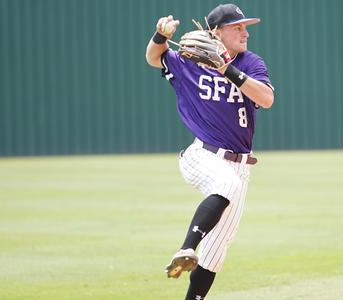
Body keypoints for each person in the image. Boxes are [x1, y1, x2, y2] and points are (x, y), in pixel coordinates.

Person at [145, 3, 274, 300]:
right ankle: (187, 246)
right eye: (237, 27)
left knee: (217, 249)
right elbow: (153, 57)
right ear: (216, 32)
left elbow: (266, 99)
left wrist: (226, 69)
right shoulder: (188, 62)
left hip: (242, 165)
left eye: (245, 27)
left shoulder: (250, 63)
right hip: (202, 155)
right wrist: (160, 36)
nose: (245, 33)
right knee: (225, 184)